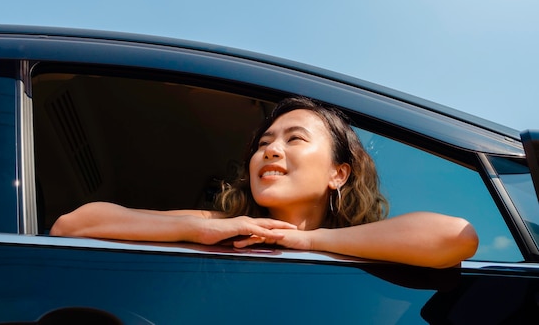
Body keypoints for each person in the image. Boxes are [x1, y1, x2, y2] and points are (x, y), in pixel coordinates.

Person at [51, 96, 479, 268]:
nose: (270, 150)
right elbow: (73, 225)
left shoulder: (366, 245)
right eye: (264, 142)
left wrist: (309, 243)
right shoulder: (218, 225)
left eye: (294, 139)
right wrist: (198, 228)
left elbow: (456, 237)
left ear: (338, 173)